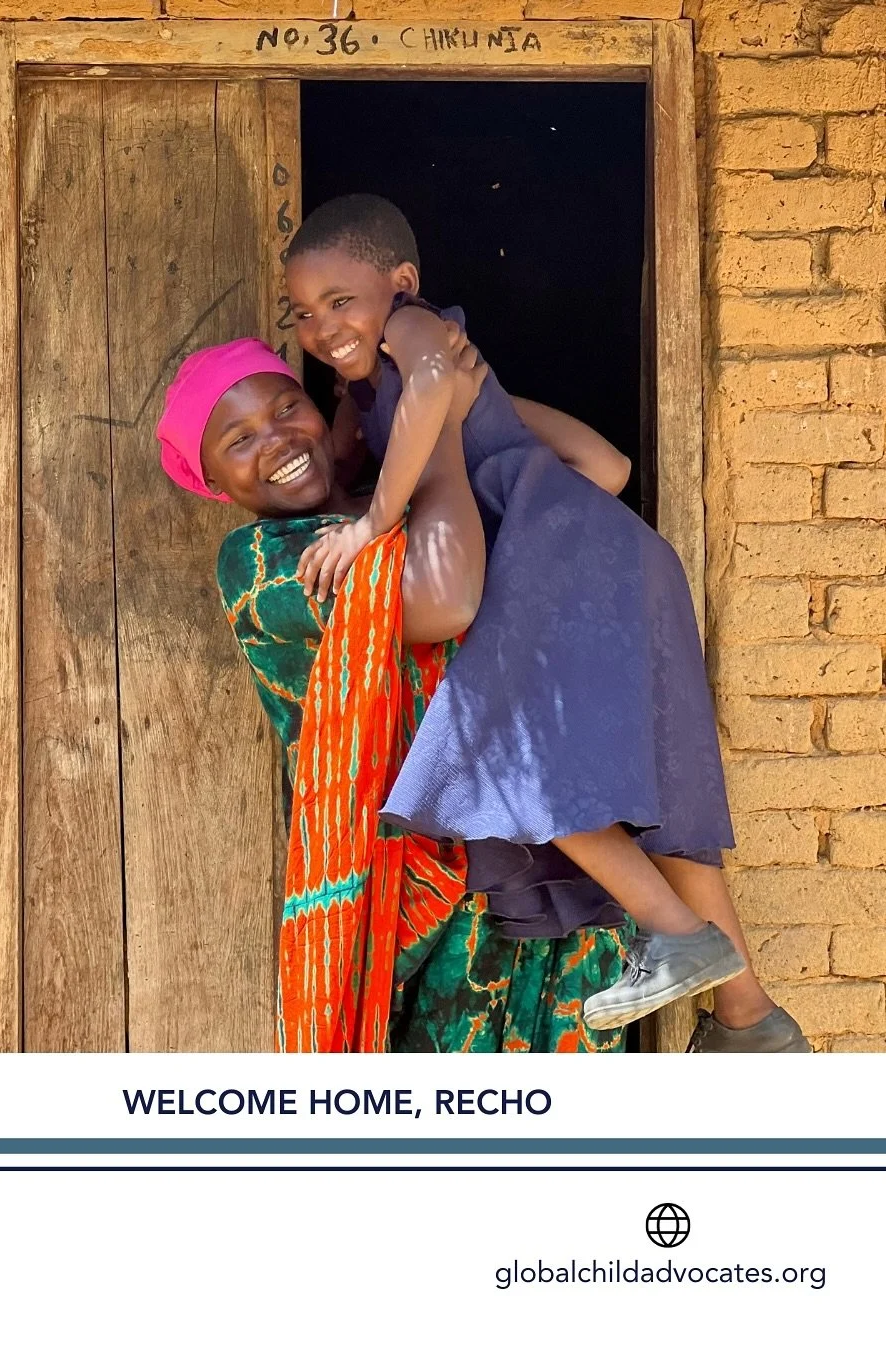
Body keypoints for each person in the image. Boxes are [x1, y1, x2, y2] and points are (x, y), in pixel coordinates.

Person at [283, 193, 809, 1052]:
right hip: (617, 564)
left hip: (568, 568)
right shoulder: (399, 391)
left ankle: (675, 935)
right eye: (303, 313)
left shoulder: (419, 335)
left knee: (503, 755)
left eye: (342, 301)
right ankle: (752, 1023)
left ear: (402, 284)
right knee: (647, 795)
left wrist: (381, 521)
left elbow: (423, 395)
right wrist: (479, 444)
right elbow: (605, 464)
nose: (322, 326)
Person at [157, 334, 628, 1053]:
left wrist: (464, 398)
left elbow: (600, 469)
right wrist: (431, 425)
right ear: (216, 483)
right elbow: (444, 600)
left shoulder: (400, 499)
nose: (276, 438)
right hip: (425, 901)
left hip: (556, 866)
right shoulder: (262, 565)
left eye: (288, 407)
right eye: (239, 439)